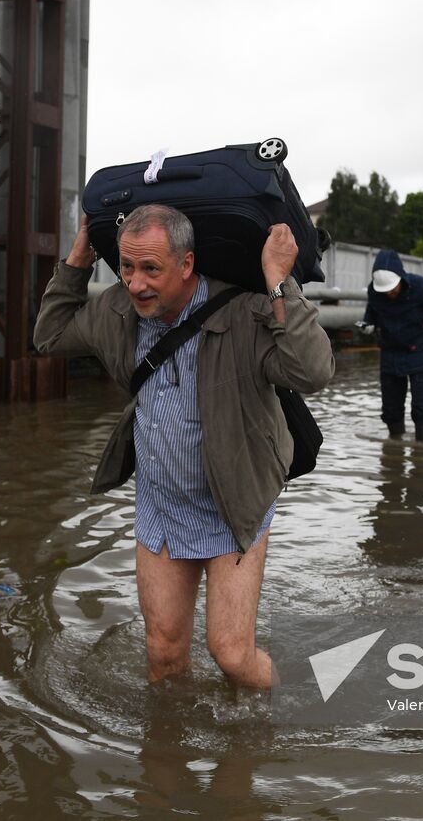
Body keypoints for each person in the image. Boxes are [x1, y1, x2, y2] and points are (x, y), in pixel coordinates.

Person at [33, 204, 334, 689]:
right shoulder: (119, 311)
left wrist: (280, 280)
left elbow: (312, 370)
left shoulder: (242, 314)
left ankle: (269, 715)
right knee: (164, 655)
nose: (136, 284)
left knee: (232, 655)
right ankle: (170, 735)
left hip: (234, 504)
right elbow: (49, 337)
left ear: (187, 263)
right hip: (162, 504)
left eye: (151, 269)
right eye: (127, 267)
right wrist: (76, 263)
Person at [361, 249, 423, 441]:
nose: (389, 293)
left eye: (392, 288)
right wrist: (368, 323)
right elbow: (372, 310)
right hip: (390, 351)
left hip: (419, 350)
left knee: (420, 407)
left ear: (401, 278)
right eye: (385, 290)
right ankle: (394, 447)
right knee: (390, 408)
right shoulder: (374, 290)